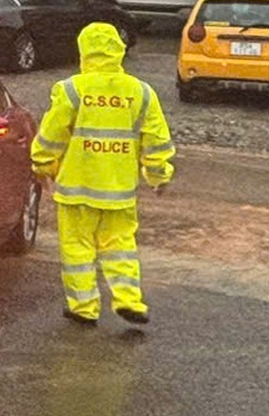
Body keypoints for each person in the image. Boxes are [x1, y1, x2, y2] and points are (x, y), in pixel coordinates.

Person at [30, 22, 175, 327]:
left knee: (77, 248)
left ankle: (83, 308)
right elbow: (156, 140)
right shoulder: (141, 92)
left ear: (83, 51)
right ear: (119, 51)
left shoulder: (72, 89)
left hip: (76, 188)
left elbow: (52, 134)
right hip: (119, 190)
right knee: (120, 246)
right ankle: (129, 301)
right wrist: (158, 175)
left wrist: (41, 165)